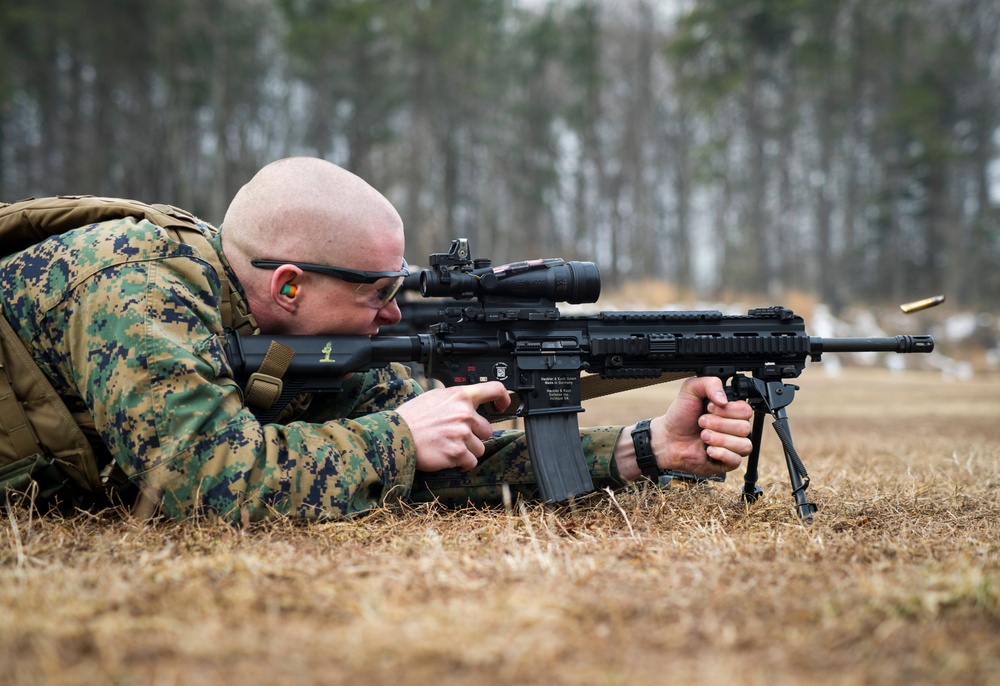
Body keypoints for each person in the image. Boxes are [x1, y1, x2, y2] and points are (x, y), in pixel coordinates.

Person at [0, 157, 753, 522]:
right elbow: (199, 478)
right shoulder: (137, 286)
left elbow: (442, 448)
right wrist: (392, 438)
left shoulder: (291, 333)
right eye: (378, 292)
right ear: (289, 285)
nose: (396, 314)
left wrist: (645, 447)